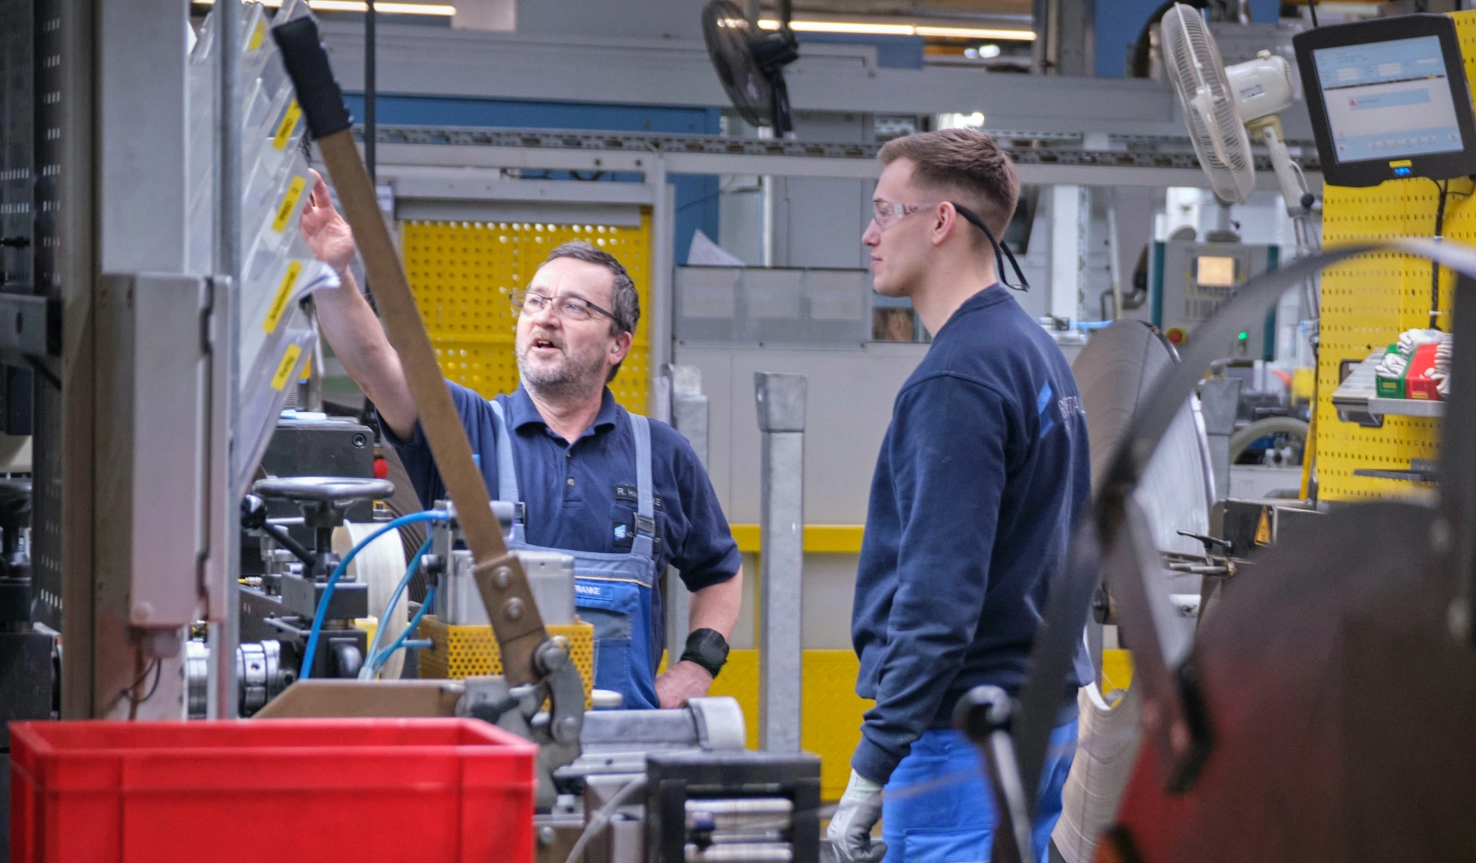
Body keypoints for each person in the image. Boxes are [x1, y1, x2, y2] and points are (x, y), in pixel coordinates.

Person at [299, 172, 742, 709]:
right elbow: (376, 367)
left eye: (575, 307)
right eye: (535, 301)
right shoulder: (470, 427)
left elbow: (720, 573)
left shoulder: (662, 455)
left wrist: (697, 667)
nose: (546, 317)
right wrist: (333, 272)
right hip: (489, 738)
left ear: (618, 345)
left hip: (621, 741)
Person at [827, 130, 1094, 863]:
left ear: (941, 220)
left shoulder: (958, 378)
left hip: (963, 738)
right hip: (1038, 719)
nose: (869, 234)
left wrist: (873, 764)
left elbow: (938, 601)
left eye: (885, 211)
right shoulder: (1032, 351)